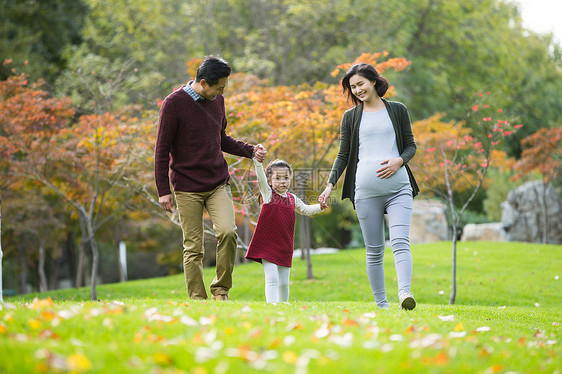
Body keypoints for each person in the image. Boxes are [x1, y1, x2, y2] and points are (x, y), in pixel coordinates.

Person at [154, 55, 267, 301]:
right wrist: (164, 190)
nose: (221, 92)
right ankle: (197, 297)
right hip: (186, 187)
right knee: (193, 246)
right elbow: (161, 150)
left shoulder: (217, 101)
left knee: (228, 232)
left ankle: (220, 290)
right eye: (219, 87)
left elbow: (221, 138)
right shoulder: (173, 104)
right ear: (204, 83)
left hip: (217, 182)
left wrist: (250, 150)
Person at [318, 63, 420, 310]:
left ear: (374, 81)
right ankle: (382, 304)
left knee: (399, 242)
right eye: (353, 88)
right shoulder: (351, 117)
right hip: (365, 192)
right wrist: (329, 185)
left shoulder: (397, 110)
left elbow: (410, 146)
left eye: (360, 84)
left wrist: (399, 160)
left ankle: (405, 293)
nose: (357, 90)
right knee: (374, 251)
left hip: (399, 189)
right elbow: (343, 155)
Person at [245, 159, 326, 303]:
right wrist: (257, 162)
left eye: (286, 178)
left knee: (283, 282)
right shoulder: (268, 195)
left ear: (291, 178)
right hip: (267, 245)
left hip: (284, 245)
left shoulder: (292, 199)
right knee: (273, 279)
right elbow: (260, 177)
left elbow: (306, 210)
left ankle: (283, 305)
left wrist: (320, 206)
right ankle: (272, 305)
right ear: (269, 180)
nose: (282, 182)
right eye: (278, 178)